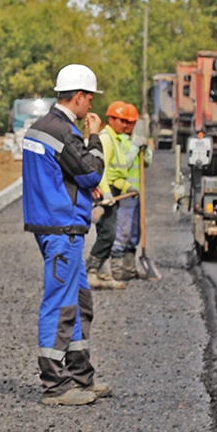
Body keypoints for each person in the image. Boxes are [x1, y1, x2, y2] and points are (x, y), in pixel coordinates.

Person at [21, 63, 113, 406]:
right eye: (89, 99)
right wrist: (94, 138)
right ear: (78, 96)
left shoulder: (40, 127)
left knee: (79, 300)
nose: (91, 106)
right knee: (60, 303)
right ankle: (55, 386)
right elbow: (90, 172)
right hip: (62, 228)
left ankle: (79, 376)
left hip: (55, 224)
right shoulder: (63, 131)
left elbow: (63, 175)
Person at [85, 103, 137, 291]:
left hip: (113, 191)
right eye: (121, 120)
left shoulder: (116, 139)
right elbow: (102, 169)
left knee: (107, 232)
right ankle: (91, 271)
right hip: (105, 193)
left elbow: (116, 172)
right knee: (108, 234)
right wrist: (105, 192)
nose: (125, 124)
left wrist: (126, 186)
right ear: (111, 120)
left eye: (126, 121)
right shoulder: (106, 138)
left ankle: (100, 271)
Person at [107, 102, 152, 281]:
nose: (129, 126)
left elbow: (147, 163)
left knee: (135, 231)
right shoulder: (120, 141)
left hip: (136, 193)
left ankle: (129, 267)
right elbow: (124, 163)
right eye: (126, 121)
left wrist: (146, 150)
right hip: (124, 193)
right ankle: (117, 269)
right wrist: (135, 147)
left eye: (132, 122)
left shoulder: (136, 140)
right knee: (123, 230)